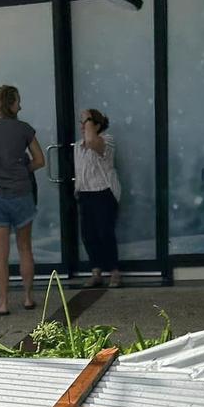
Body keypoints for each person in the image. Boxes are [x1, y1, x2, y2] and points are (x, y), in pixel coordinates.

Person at [0, 85, 44, 316]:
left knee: (0, 253)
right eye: (18, 101)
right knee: (25, 248)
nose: (20, 105)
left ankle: (2, 303)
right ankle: (27, 297)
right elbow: (40, 160)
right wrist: (23, 171)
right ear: (12, 103)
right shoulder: (24, 129)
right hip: (22, 194)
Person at [74, 109, 122, 289]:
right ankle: (96, 271)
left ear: (97, 125)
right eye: (82, 123)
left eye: (86, 122)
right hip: (85, 193)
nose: (82, 126)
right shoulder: (78, 146)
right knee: (88, 234)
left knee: (105, 232)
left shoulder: (106, 140)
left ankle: (114, 271)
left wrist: (87, 116)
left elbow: (93, 141)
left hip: (104, 192)